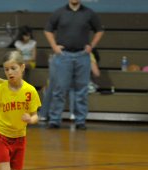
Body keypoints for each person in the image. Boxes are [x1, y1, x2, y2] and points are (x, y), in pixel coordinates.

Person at [44, 0, 104, 130]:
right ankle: (54, 120)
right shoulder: (59, 12)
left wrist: (92, 46)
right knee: (59, 89)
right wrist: (54, 46)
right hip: (63, 56)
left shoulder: (89, 13)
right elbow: (48, 30)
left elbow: (99, 30)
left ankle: (80, 121)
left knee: (81, 90)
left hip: (82, 55)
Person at [69, 48, 101, 120]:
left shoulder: (69, 54)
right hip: (82, 83)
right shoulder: (88, 55)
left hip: (72, 83)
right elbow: (97, 73)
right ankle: (76, 113)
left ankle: (74, 113)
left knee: (74, 87)